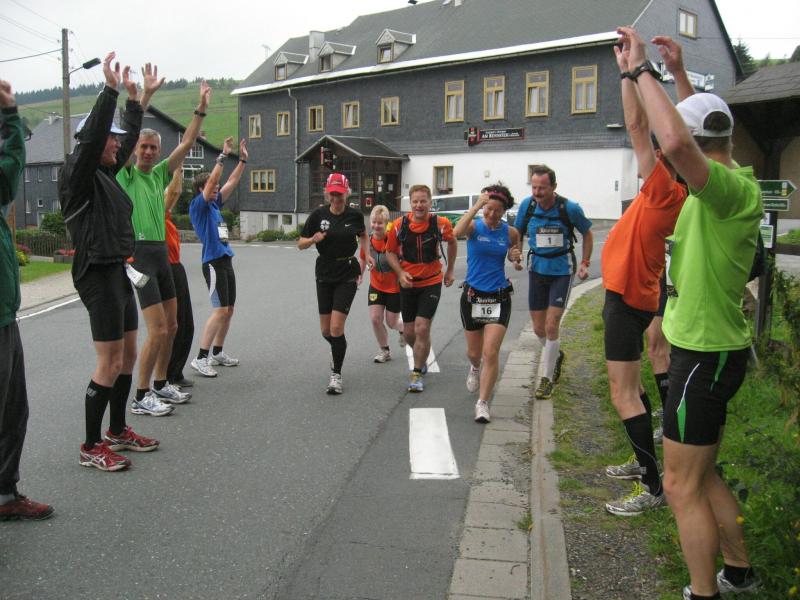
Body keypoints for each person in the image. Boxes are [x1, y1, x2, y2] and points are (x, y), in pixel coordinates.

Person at [617, 26, 763, 600]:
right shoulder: (732, 178)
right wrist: (677, 74)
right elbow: (693, 131)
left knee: (680, 485)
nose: (666, 154)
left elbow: (679, 143)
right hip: (707, 351)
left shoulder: (725, 192)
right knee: (704, 473)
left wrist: (640, 71)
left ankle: (704, 592)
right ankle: (740, 571)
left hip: (703, 357)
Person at [60, 53, 162, 471]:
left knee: (128, 356)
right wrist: (109, 91)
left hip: (119, 271)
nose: (119, 144)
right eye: (111, 138)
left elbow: (126, 138)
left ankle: (117, 430)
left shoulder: (104, 173)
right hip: (97, 274)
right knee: (109, 361)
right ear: (93, 140)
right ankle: (90, 444)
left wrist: (136, 102)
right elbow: (93, 141)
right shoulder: (79, 174)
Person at [600, 39, 687, 517]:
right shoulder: (675, 193)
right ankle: (645, 463)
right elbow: (642, 129)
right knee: (632, 388)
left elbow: (636, 125)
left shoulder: (663, 192)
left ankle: (652, 485)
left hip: (625, 298)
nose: (650, 151)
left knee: (622, 394)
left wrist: (629, 71)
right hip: (636, 295)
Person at [116, 80, 211, 414]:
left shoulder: (158, 175)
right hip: (140, 256)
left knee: (171, 327)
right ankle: (141, 396)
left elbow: (187, 143)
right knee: (156, 330)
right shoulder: (126, 175)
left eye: (153, 148)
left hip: (161, 255)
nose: (148, 152)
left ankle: (160, 383)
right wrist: (145, 96)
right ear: (135, 149)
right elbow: (127, 134)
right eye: (143, 146)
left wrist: (201, 108)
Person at [0, 79, 53, 519]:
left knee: (13, 410)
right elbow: (11, 166)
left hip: (5, 315)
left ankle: (4, 495)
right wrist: (11, 115)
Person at [514, 165, 592, 400]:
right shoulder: (527, 206)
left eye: (542, 188)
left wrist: (585, 262)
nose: (537, 192)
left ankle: (547, 379)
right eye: (534, 187)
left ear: (554, 187)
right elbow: (517, 232)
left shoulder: (569, 208)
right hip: (537, 270)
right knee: (539, 328)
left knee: (551, 325)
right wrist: (515, 253)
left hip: (561, 272)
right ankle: (556, 355)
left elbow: (587, 233)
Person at [452, 185, 523, 423]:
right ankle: (474, 368)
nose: (491, 214)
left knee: (490, 352)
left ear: (504, 211)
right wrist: (476, 206)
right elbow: (456, 232)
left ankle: (482, 403)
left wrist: (516, 259)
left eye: (497, 210)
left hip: (498, 296)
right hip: (473, 295)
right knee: (474, 353)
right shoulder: (474, 226)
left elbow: (515, 255)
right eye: (488, 209)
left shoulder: (510, 232)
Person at [298, 173, 368, 394]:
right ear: (327, 194)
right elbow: (300, 244)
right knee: (326, 330)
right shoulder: (318, 215)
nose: (336, 198)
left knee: (336, 328)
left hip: (347, 272)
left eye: (340, 194)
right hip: (325, 272)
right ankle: (339, 348)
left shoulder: (355, 215)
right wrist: (313, 239)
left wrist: (364, 258)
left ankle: (336, 375)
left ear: (347, 193)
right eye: (333, 194)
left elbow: (364, 235)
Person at [386, 184, 457, 393]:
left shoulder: (440, 223)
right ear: (410, 203)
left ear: (430, 202)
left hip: (431, 282)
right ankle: (421, 351)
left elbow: (453, 243)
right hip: (408, 283)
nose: (419, 205)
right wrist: (400, 273)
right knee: (410, 333)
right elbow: (390, 252)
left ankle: (416, 374)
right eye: (415, 201)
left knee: (422, 328)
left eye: (423, 201)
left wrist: (450, 270)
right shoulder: (398, 226)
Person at [189, 138, 248, 377]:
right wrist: (222, 156)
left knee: (229, 309)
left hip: (225, 260)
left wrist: (242, 160)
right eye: (212, 187)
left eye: (216, 187)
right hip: (212, 262)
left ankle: (218, 352)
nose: (216, 188)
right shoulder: (199, 206)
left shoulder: (214, 205)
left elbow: (231, 181)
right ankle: (200, 358)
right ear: (202, 190)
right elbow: (215, 180)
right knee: (220, 310)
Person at [360, 205, 404, 363]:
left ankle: (403, 329)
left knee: (392, 322)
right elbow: (363, 258)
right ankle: (384, 350)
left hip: (394, 288)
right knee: (375, 319)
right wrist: (360, 276)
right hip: (376, 286)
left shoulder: (393, 240)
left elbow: (403, 260)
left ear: (386, 224)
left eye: (380, 223)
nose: (376, 226)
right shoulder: (368, 241)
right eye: (374, 222)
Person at [163, 164, 195, 389]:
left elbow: (175, 192)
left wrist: (179, 173)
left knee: (186, 325)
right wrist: (178, 169)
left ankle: (175, 372)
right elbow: (174, 192)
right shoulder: (157, 214)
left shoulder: (167, 218)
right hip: (167, 269)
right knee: (173, 325)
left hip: (177, 268)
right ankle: (165, 375)